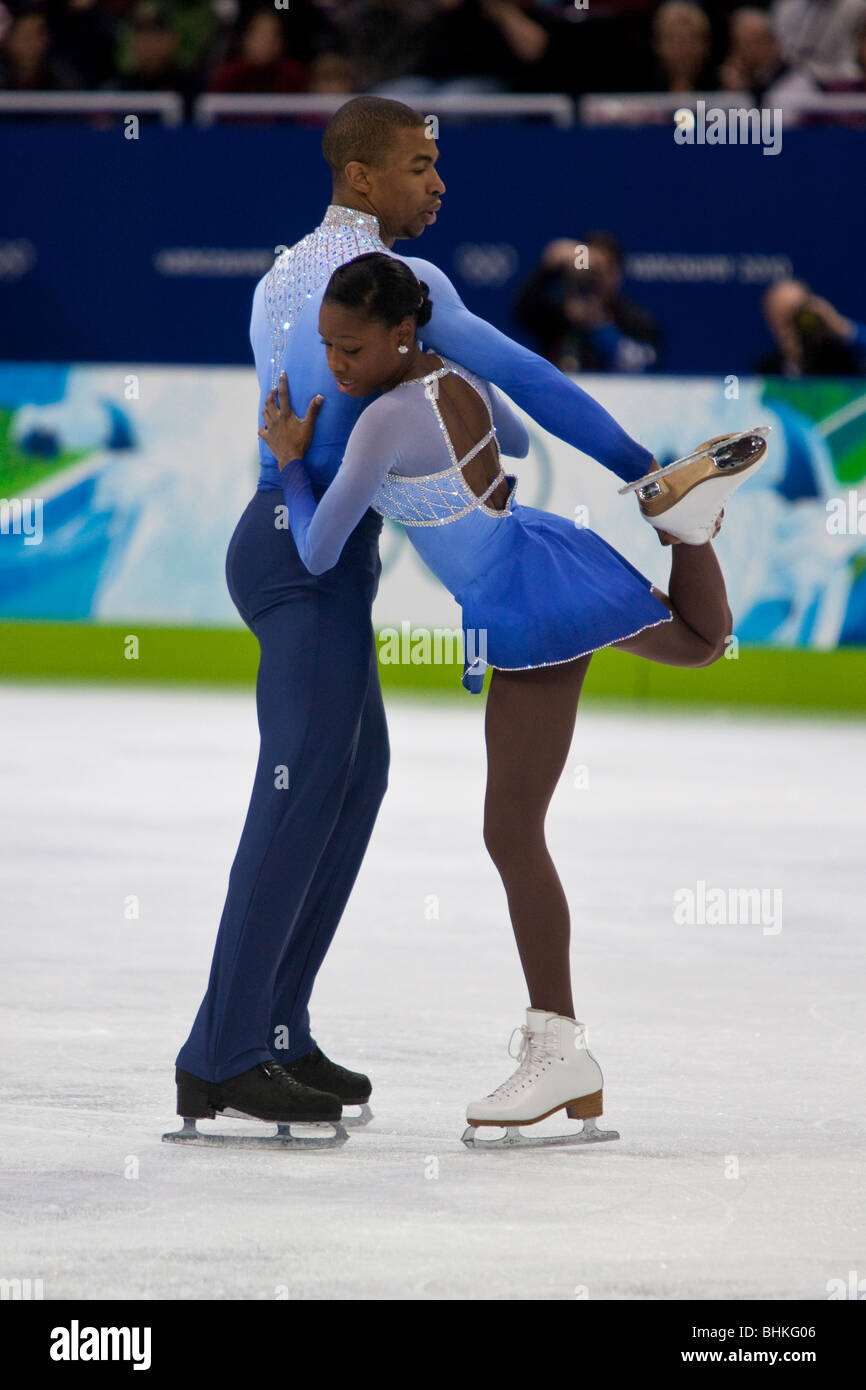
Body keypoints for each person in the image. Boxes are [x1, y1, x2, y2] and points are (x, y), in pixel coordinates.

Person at [170, 94, 721, 1146]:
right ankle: (224, 1053)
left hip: (293, 548)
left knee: (349, 782)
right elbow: (522, 380)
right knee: (297, 792)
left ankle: (275, 1026)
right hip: (302, 556)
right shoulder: (403, 287)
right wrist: (642, 473)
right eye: (421, 164)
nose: (438, 182)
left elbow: (473, 405)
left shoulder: (278, 274)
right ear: (364, 176)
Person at [257, 251, 765, 1145]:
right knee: (699, 643)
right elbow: (520, 442)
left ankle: (559, 1047)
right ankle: (685, 528)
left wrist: (295, 463)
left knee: (510, 831)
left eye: (350, 349)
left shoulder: (378, 424)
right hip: (536, 543)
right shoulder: (456, 377)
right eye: (327, 349)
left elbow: (317, 550)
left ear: (402, 335)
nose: (334, 368)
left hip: (516, 599)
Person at [513, 231, 661, 373]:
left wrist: (599, 325)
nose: (594, 279)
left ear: (617, 274)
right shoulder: (558, 315)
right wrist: (547, 269)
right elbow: (522, 311)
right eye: (588, 269)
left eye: (602, 270)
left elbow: (642, 365)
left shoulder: (636, 320)